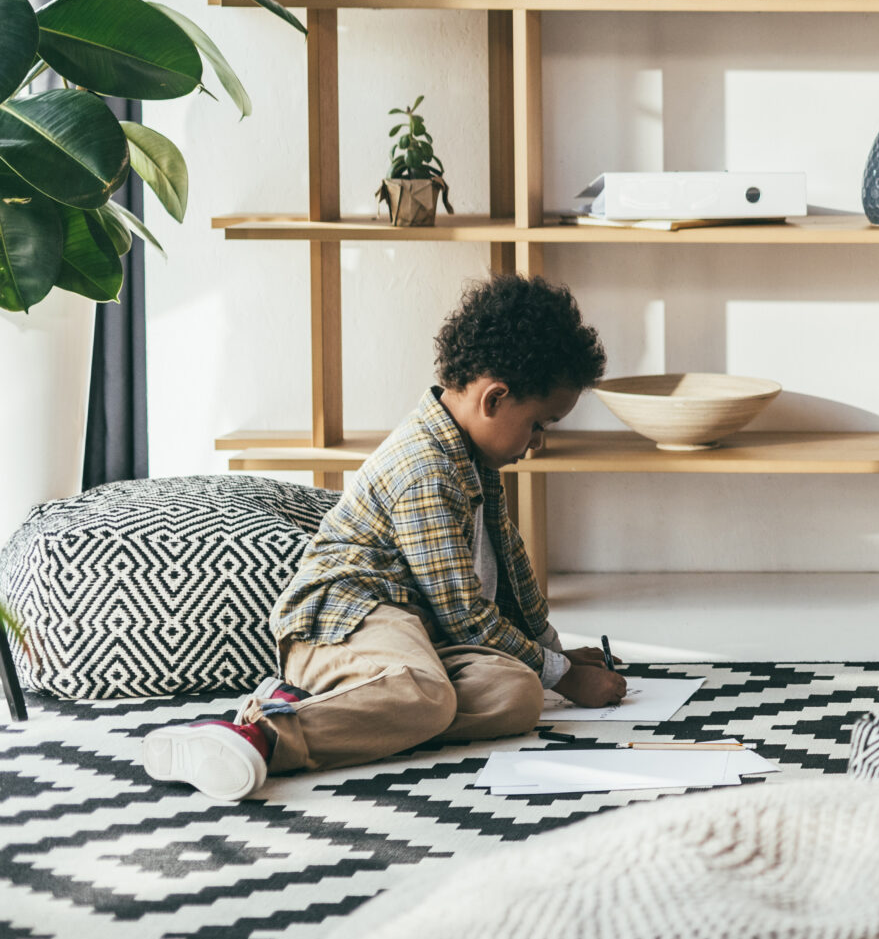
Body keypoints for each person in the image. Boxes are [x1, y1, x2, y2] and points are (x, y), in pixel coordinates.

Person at [143, 275, 623, 800]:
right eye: (538, 425)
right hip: (349, 621)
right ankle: (259, 733)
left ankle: (362, 706)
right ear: (495, 399)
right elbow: (465, 615)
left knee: (517, 693)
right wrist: (564, 677)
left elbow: (512, 574)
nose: (537, 442)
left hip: (422, 639)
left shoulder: (477, 461)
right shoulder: (426, 468)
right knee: (428, 695)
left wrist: (554, 655)